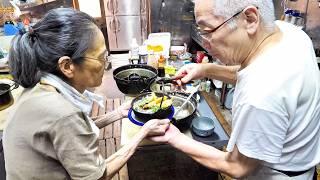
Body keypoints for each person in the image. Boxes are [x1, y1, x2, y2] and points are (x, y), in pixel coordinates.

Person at [151, 0, 320, 179]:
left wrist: (174, 137)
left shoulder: (261, 94)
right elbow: (249, 71)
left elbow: (237, 166)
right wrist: (204, 69)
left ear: (250, 18)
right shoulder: (288, 33)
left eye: (207, 30)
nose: (205, 42)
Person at [3, 8, 170, 180]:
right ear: (67, 66)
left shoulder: (41, 87)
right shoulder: (62, 112)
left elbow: (78, 128)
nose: (106, 64)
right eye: (102, 57)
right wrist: (143, 133)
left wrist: (118, 113)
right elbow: (98, 176)